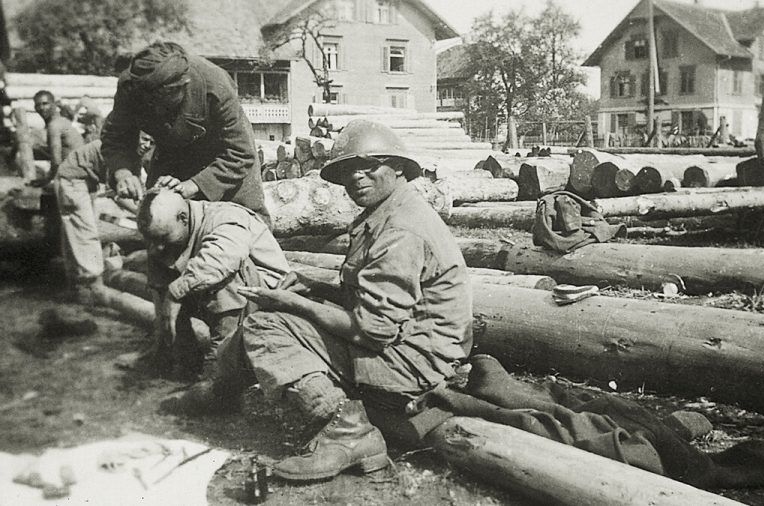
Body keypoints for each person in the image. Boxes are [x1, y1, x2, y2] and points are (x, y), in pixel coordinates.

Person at [170, 120, 473, 481]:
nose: (357, 178)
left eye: (369, 167)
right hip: (409, 343)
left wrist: (291, 303)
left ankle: (348, 432)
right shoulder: (390, 211)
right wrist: (311, 285)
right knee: (285, 303)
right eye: (348, 171)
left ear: (397, 168)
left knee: (266, 326)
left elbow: (372, 331)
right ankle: (221, 390)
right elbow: (369, 296)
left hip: (414, 362)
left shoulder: (400, 230)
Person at [101, 41, 269, 224]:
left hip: (224, 159)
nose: (156, 110)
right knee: (159, 220)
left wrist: (194, 185)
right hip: (172, 154)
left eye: (162, 101)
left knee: (243, 227)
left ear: (181, 85)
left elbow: (240, 152)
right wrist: (123, 172)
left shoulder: (214, 84)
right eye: (149, 102)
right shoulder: (131, 87)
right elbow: (115, 137)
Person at [135, 188, 289, 378]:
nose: (156, 247)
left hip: (269, 298)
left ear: (183, 218)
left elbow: (223, 260)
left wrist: (175, 292)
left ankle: (219, 367)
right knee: (170, 268)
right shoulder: (174, 227)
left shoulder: (224, 217)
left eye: (162, 238)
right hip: (230, 298)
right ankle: (184, 361)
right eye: (151, 240)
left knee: (221, 275)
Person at [53, 137, 154, 303]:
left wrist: (140, 210)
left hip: (86, 181)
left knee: (76, 232)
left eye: (151, 142)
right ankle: (94, 286)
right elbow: (115, 193)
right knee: (85, 233)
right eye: (144, 139)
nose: (147, 145)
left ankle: (77, 287)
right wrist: (140, 213)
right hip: (73, 179)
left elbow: (134, 190)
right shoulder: (116, 149)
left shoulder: (134, 155)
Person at [31, 90, 84, 186]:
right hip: (78, 169)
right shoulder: (62, 120)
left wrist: (46, 181)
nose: (42, 108)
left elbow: (56, 161)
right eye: (38, 105)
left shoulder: (54, 126)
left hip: (73, 176)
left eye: (45, 104)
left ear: (54, 104)